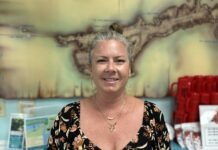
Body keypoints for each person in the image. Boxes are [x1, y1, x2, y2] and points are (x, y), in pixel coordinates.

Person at [47, 30, 171, 150]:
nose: (111, 68)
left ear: (129, 69)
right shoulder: (67, 117)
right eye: (102, 60)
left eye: (119, 61)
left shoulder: (152, 116)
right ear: (91, 69)